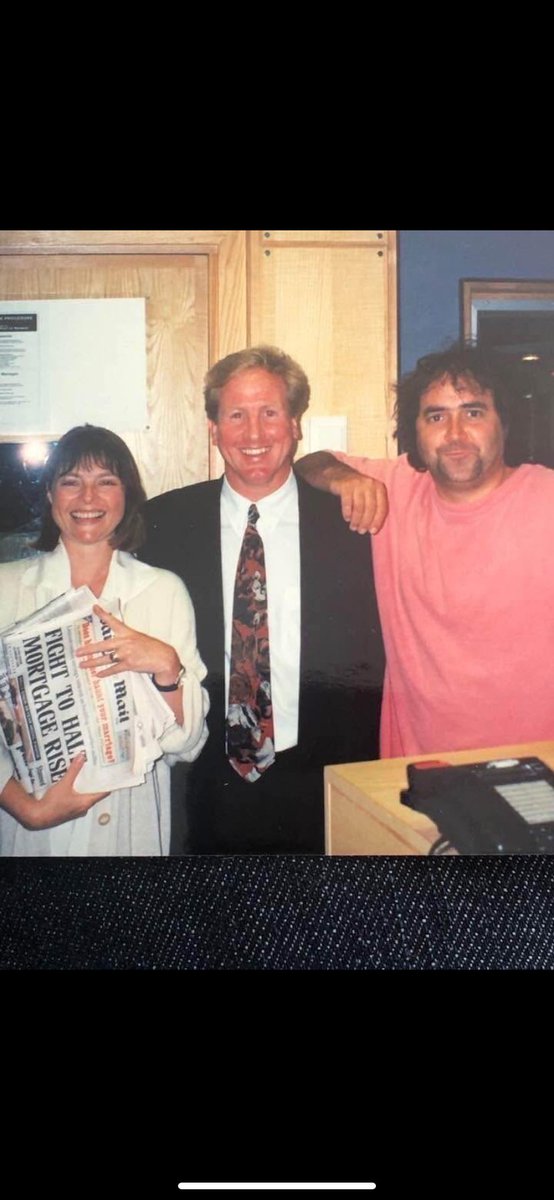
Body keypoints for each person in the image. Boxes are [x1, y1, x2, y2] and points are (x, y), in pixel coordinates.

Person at [140, 345, 384, 854]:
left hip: (322, 780)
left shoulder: (351, 526)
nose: (254, 434)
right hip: (201, 779)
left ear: (295, 424)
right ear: (213, 429)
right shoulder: (162, 524)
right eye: (236, 415)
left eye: (270, 413)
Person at [295, 342, 554, 758]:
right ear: (414, 431)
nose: (454, 434)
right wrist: (345, 479)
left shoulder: (546, 499)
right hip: (419, 775)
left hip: (539, 776)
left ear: (503, 423)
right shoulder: (394, 487)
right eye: (436, 416)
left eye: (473, 412)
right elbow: (309, 463)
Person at [0, 425, 209, 855]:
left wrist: (167, 666)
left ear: (127, 495)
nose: (88, 499)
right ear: (50, 495)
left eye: (106, 482)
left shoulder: (162, 590)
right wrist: (26, 808)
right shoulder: (8, 588)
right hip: (31, 826)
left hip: (131, 825)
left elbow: (186, 745)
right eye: (71, 482)